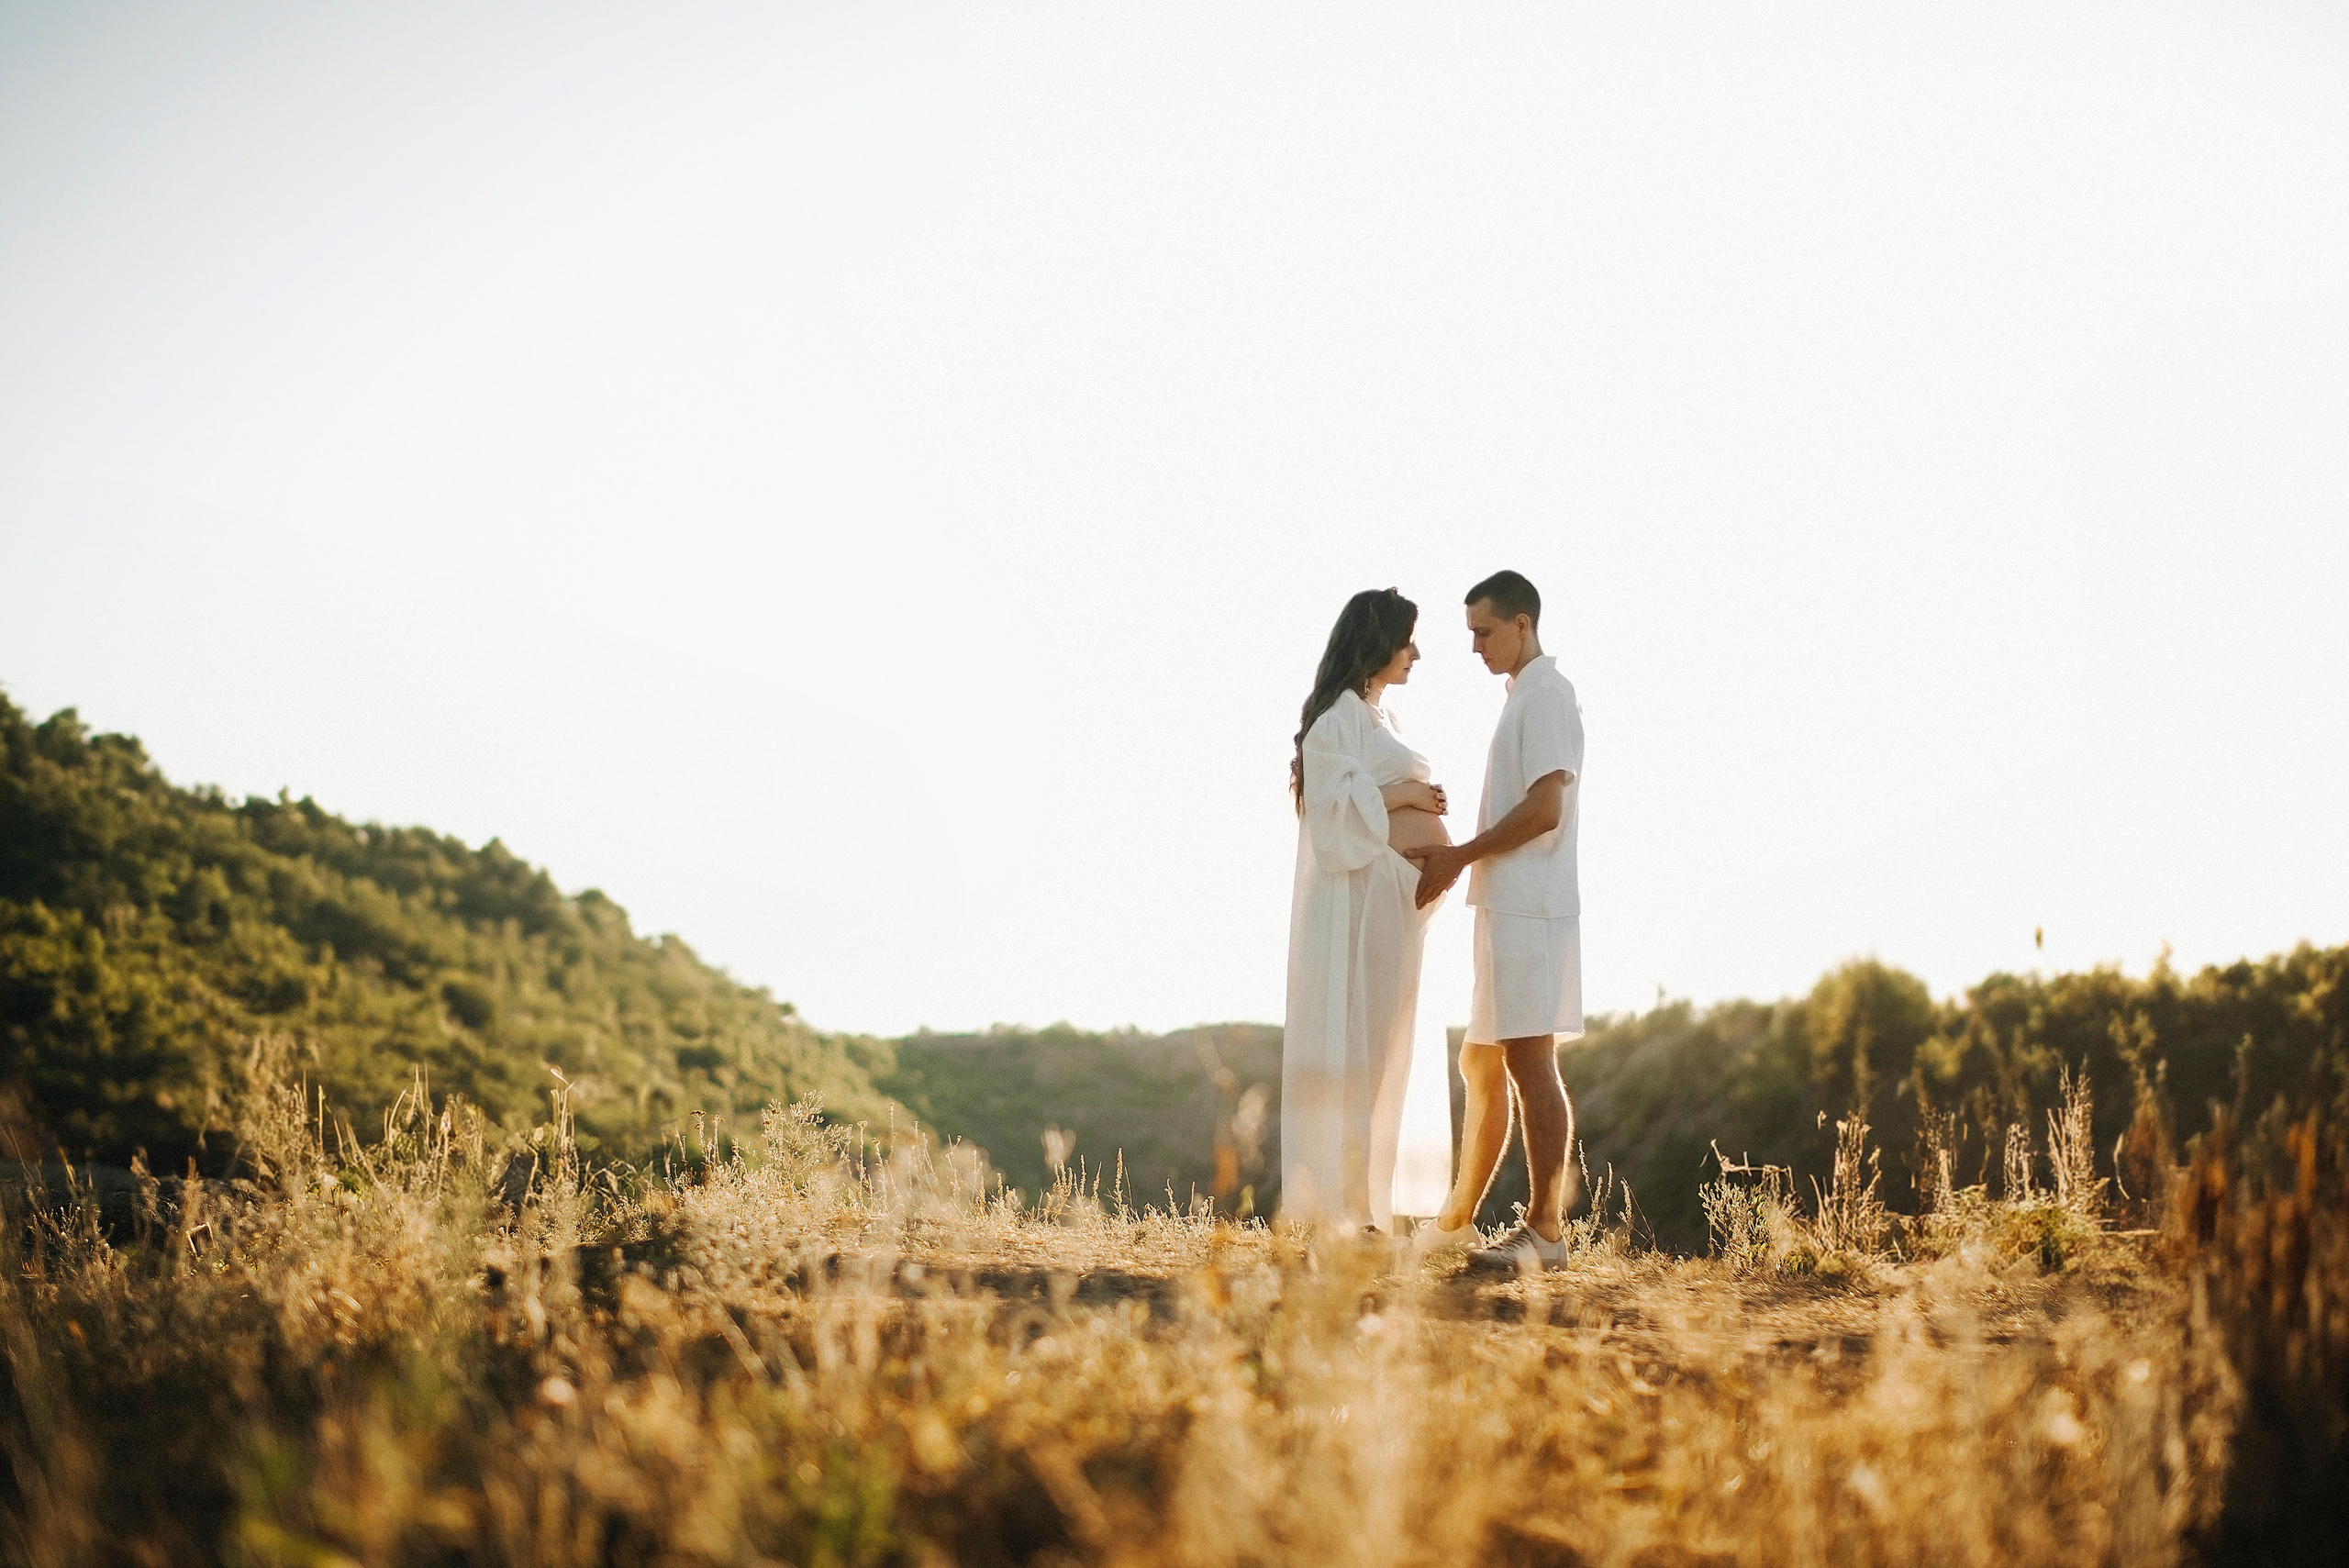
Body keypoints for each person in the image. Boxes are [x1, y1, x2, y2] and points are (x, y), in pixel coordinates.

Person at [1402, 570, 1585, 1271]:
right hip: (1504, 905)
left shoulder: (1547, 695)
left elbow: (1545, 810)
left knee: (1530, 1059)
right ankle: (1455, 1222)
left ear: (1521, 624)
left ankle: (1545, 1232)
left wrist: (1459, 856)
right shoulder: (1522, 697)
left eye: (1483, 632)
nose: (1475, 646)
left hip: (1530, 906)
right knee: (1480, 1058)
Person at [1281, 587, 1453, 1231]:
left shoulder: (1383, 718)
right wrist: (1407, 794)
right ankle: (1349, 1212)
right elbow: (1332, 814)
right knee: (1358, 1052)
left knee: (1386, 1053)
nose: (1416, 654)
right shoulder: (1337, 720)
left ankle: (1373, 1208)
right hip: (1358, 909)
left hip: (1394, 908)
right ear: (1376, 642)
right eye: (1406, 641)